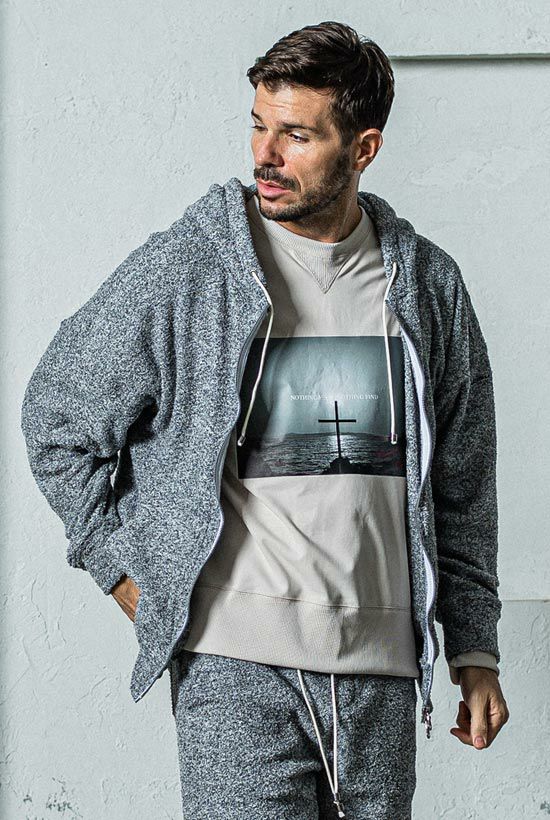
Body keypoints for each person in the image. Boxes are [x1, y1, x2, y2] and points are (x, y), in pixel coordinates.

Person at [21, 20, 509, 820]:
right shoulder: (193, 267)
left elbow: (464, 481)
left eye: (296, 135)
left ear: (363, 149)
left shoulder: (426, 286)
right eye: (258, 125)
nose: (265, 155)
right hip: (234, 667)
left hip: (382, 675)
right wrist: (124, 571)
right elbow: (58, 417)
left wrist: (475, 648)